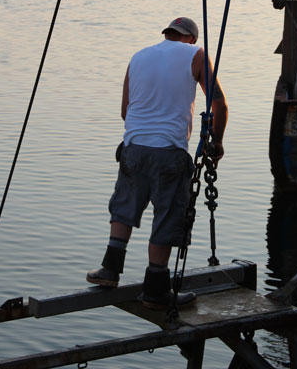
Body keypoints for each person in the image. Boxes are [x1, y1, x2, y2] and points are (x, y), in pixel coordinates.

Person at [86, 17, 228, 310]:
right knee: (166, 215)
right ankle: (155, 290)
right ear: (191, 38)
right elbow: (219, 104)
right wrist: (218, 142)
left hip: (133, 148)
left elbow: (126, 110)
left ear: (168, 34)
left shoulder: (138, 56)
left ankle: (109, 270)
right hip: (170, 152)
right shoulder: (196, 54)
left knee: (124, 206)